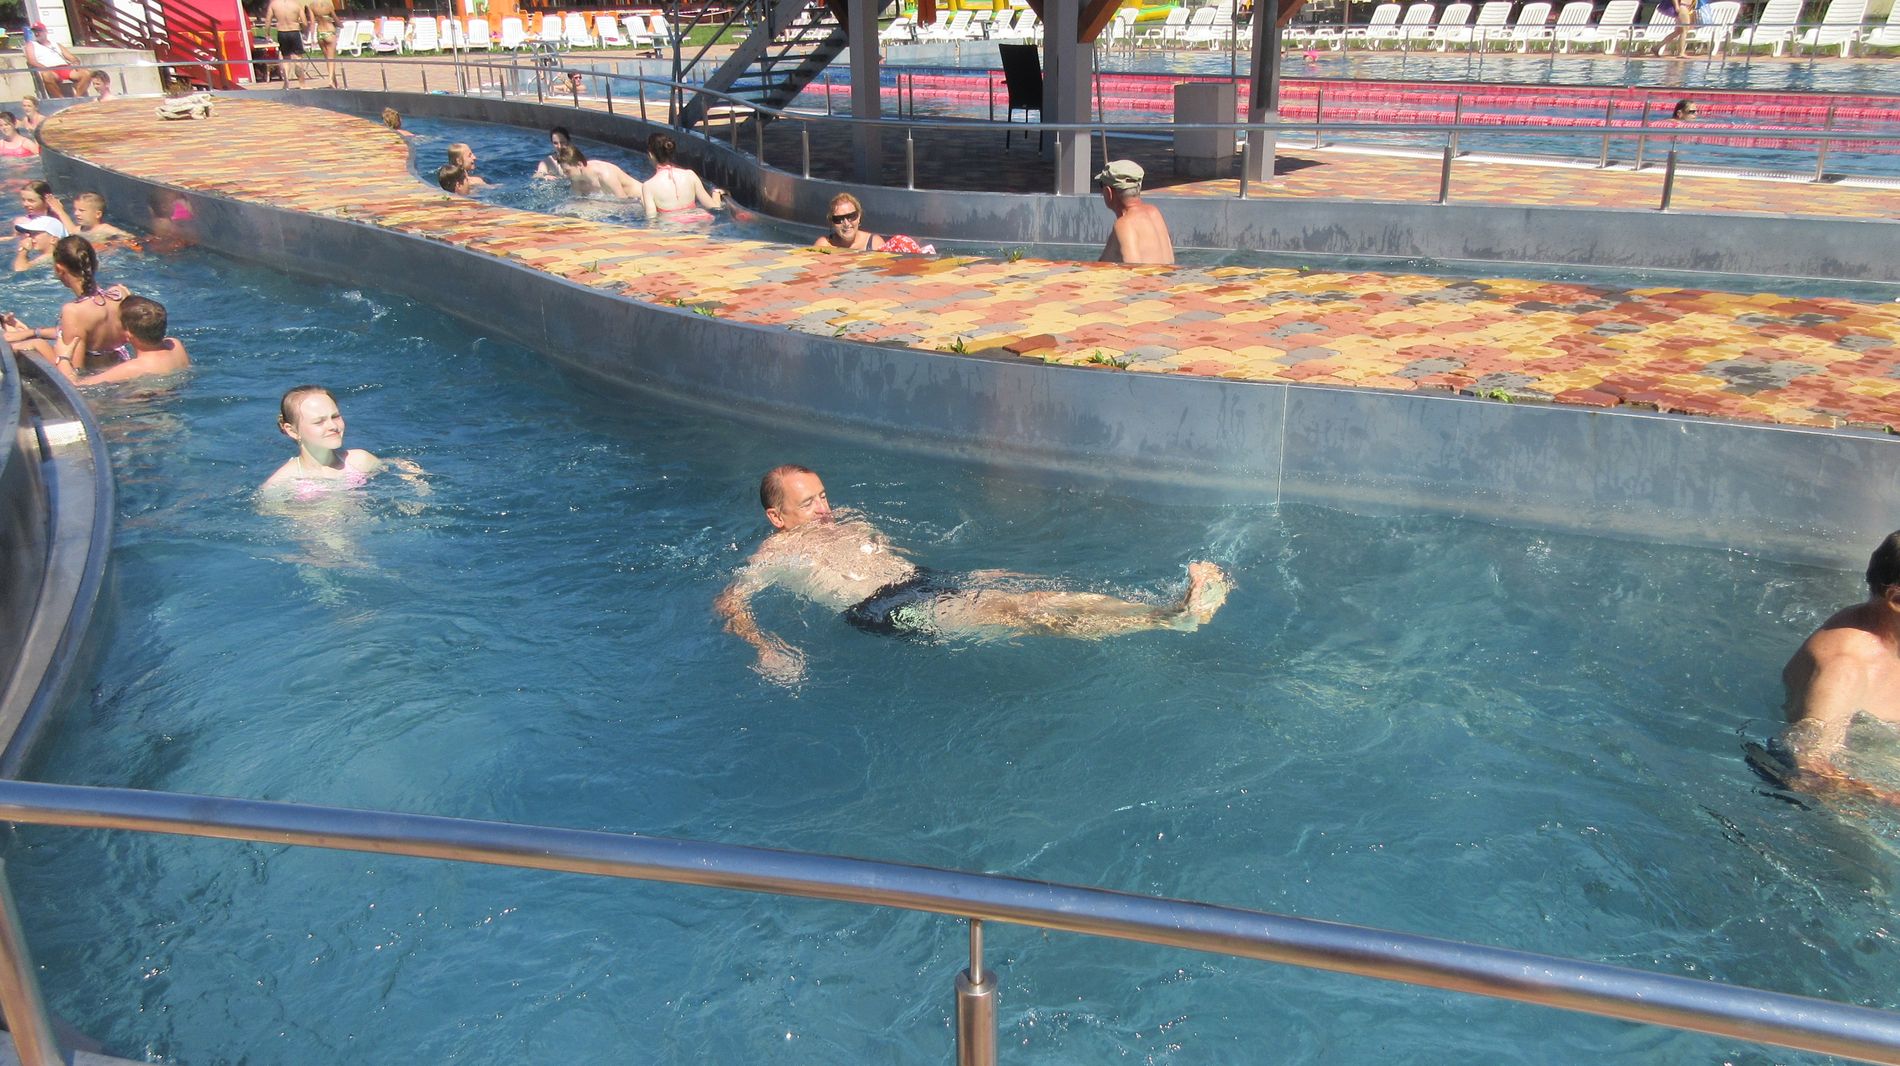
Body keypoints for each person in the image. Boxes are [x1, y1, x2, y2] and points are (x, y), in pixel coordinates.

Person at [715, 465, 1231, 684]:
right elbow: (730, 602)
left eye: (824, 496)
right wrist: (765, 647)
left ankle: (1165, 614)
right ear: (777, 517)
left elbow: (889, 556)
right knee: (1026, 613)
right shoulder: (773, 555)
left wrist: (973, 574)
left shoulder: (848, 521)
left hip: (927, 581)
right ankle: (1168, 618)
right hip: (889, 610)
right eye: (809, 504)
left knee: (1041, 598)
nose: (825, 510)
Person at [1770, 531, 1900, 805]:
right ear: (1896, 599)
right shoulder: (1843, 669)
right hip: (1852, 806)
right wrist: (1888, 798)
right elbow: (1809, 770)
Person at [5, 236, 129, 379]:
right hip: (122, 369)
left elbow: (75, 370)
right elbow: (84, 330)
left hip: (95, 381)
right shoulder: (120, 294)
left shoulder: (73, 311)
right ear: (95, 263)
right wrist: (32, 332)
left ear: (59, 269)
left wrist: (37, 344)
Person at [260, 385, 387, 495]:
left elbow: (391, 470)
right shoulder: (280, 485)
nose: (333, 426)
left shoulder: (361, 462)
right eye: (319, 422)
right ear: (292, 431)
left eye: (335, 416)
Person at [72, 295, 189, 386]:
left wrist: (64, 357)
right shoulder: (175, 345)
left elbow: (76, 386)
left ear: (128, 334)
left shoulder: (133, 368)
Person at [1096, 160, 1173, 267]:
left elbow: (1134, 270)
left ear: (1108, 192)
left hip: (1146, 277)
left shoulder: (1124, 225)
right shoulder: (1154, 212)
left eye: (1101, 185)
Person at [641, 132, 723, 224]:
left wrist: (644, 203)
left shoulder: (648, 186)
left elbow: (652, 220)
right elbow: (714, 207)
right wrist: (716, 193)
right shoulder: (690, 175)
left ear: (651, 155)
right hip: (699, 221)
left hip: (671, 226)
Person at [22, 24, 103, 100]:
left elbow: (72, 57)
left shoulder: (56, 44)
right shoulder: (31, 45)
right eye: (34, 31)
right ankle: (61, 100)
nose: (36, 33)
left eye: (39, 31)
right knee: (46, 75)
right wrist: (46, 68)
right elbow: (32, 61)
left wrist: (75, 63)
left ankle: (77, 98)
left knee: (87, 73)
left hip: (64, 68)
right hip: (49, 69)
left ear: (45, 31)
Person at [12, 181, 70, 271]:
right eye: (23, 200)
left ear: (46, 201)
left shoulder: (58, 221)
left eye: (31, 200)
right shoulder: (21, 222)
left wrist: (23, 250)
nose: (25, 204)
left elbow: (73, 237)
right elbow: (14, 238)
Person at [555, 144, 642, 200]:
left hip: (639, 200)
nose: (565, 175)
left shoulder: (605, 175)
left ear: (579, 165)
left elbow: (623, 203)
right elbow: (575, 200)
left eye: (567, 171)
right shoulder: (576, 179)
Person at [265, 0, 316, 88]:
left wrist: (267, 34)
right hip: (294, 31)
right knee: (298, 58)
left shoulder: (274, 4)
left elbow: (268, 20)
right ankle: (302, 84)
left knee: (285, 59)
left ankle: (286, 83)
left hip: (282, 32)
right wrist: (304, 31)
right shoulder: (296, 4)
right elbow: (304, 22)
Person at [813, 192, 884, 252]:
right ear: (832, 222)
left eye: (851, 216)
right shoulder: (823, 246)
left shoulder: (875, 244)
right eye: (838, 219)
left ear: (859, 216)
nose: (846, 224)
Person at [308, 0, 341, 87]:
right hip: (329, 32)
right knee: (331, 59)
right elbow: (335, 18)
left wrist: (312, 37)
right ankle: (330, 80)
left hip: (320, 33)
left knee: (328, 59)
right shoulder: (328, 5)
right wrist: (340, 24)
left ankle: (335, 82)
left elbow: (312, 22)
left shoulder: (312, 5)